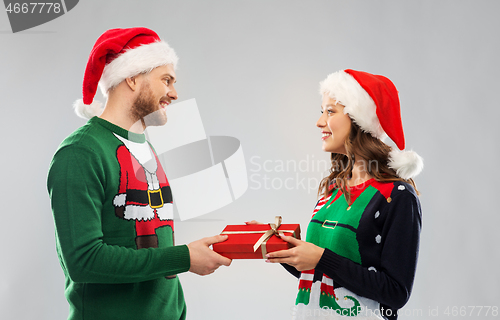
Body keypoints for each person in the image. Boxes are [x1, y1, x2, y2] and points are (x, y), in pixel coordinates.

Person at [47, 27, 231, 320]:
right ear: (132, 78)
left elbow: (158, 244)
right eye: (166, 80)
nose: (174, 92)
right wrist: (184, 257)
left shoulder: (145, 148)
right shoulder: (80, 153)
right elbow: (83, 261)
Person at [264, 69, 423, 319]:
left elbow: (395, 292)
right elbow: (321, 274)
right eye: (322, 111)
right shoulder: (333, 189)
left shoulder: (398, 195)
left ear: (359, 120)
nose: (319, 122)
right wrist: (281, 247)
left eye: (330, 111)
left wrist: (321, 258)